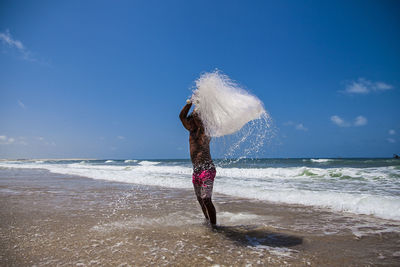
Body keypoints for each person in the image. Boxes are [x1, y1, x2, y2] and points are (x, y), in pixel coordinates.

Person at [180, 99, 217, 226]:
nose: (188, 124)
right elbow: (181, 116)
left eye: (190, 122)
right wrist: (189, 103)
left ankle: (214, 227)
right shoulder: (191, 132)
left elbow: (196, 116)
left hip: (207, 169)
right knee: (200, 200)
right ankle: (207, 221)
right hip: (196, 170)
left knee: (206, 199)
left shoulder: (204, 131)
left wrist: (199, 101)